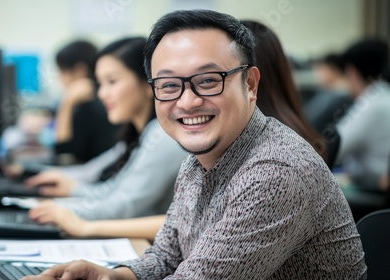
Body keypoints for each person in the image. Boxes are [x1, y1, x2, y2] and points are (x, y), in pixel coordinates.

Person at [22, 10, 366, 279]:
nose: (187, 102)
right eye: (169, 85)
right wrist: (113, 275)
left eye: (207, 81)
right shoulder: (200, 158)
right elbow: (167, 256)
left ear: (250, 83)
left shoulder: (276, 173)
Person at [26, 37, 187, 222]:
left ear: (149, 83)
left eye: (112, 82)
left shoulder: (163, 135)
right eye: (100, 84)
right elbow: (111, 188)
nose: (102, 94)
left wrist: (57, 211)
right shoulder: (137, 134)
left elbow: (122, 206)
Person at [52, 40, 120, 165]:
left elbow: (65, 154)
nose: (60, 79)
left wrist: (66, 103)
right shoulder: (95, 99)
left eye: (62, 72)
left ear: (79, 70)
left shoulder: (89, 105)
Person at [335, 38, 390, 191]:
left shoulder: (371, 103)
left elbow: (336, 148)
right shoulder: (383, 94)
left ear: (352, 72)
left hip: (373, 190)